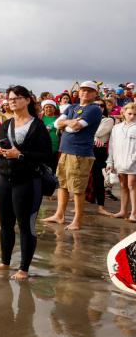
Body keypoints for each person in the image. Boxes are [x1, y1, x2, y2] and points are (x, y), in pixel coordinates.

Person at [0, 86, 52, 280]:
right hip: (4, 178)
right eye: (10, 99)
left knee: (26, 225)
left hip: (28, 181)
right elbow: (2, 147)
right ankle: (4, 262)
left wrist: (22, 155)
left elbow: (46, 155)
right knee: (5, 224)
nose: (12, 101)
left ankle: (24, 268)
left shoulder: (37, 125)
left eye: (17, 98)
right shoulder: (6, 124)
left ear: (27, 100)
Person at [45, 81, 103, 230]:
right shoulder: (72, 107)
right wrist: (68, 122)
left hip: (80, 153)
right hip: (65, 150)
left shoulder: (94, 109)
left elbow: (76, 127)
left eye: (90, 91)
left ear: (95, 93)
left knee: (77, 188)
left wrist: (67, 123)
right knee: (62, 184)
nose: (85, 93)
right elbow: (57, 124)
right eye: (83, 90)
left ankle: (77, 220)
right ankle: (59, 215)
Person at [107, 102, 136, 220]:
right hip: (119, 161)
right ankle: (123, 211)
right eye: (130, 113)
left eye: (135, 114)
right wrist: (110, 162)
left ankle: (134, 213)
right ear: (123, 113)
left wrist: (133, 159)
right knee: (123, 185)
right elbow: (112, 146)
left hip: (133, 162)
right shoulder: (116, 128)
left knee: (132, 185)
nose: (132, 116)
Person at [92, 101, 116, 215]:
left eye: (101, 105)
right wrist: (94, 136)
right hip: (86, 149)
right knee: (84, 179)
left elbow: (97, 132)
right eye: (95, 105)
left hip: (99, 151)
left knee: (98, 179)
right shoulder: (87, 118)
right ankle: (81, 205)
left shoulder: (108, 119)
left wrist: (93, 135)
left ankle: (100, 206)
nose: (98, 107)